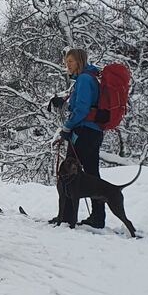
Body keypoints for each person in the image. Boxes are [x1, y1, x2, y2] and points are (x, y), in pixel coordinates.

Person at [49, 47, 105, 228]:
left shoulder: (84, 79)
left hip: (84, 131)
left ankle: (67, 216)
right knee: (90, 173)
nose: (67, 65)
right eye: (66, 62)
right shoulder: (89, 78)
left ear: (80, 61)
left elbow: (81, 108)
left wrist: (67, 127)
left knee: (70, 172)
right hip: (92, 130)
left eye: (70, 62)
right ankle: (96, 216)